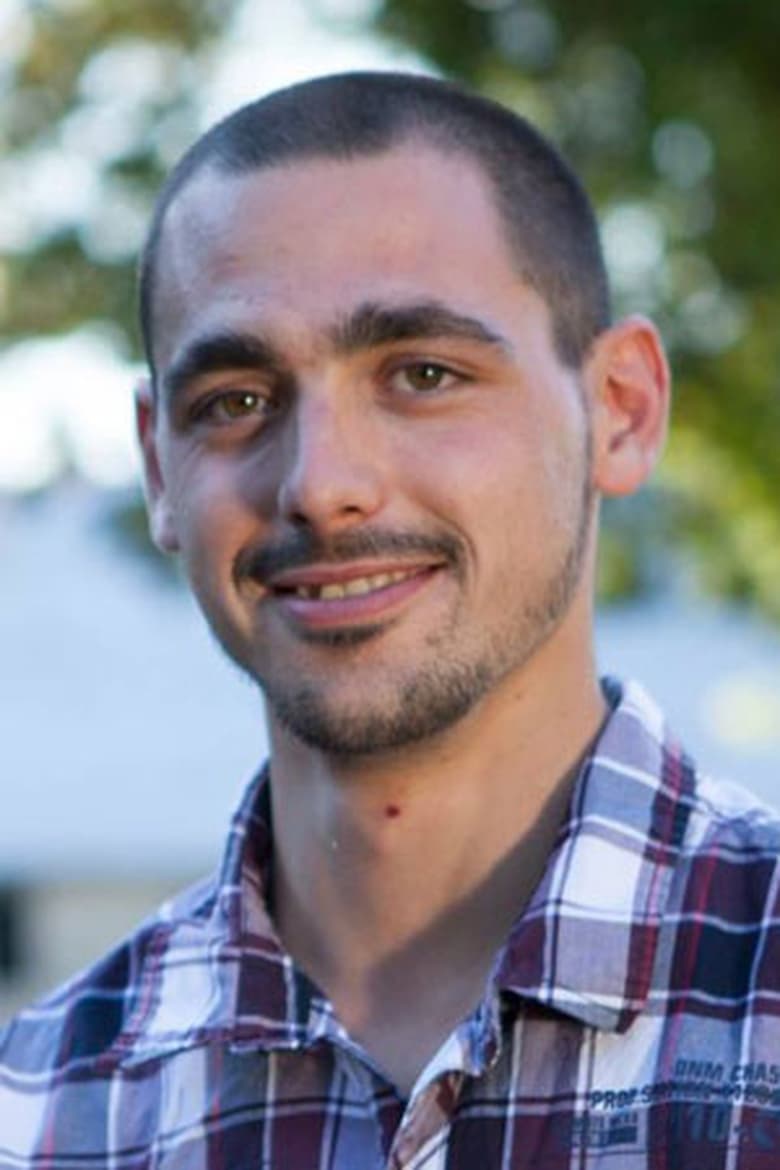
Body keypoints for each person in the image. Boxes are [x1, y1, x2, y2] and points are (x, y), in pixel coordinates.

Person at [1, 70, 778, 1169]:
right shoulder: (38, 1110)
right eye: (236, 400)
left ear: (620, 410)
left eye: (422, 373)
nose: (322, 483)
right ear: (158, 469)